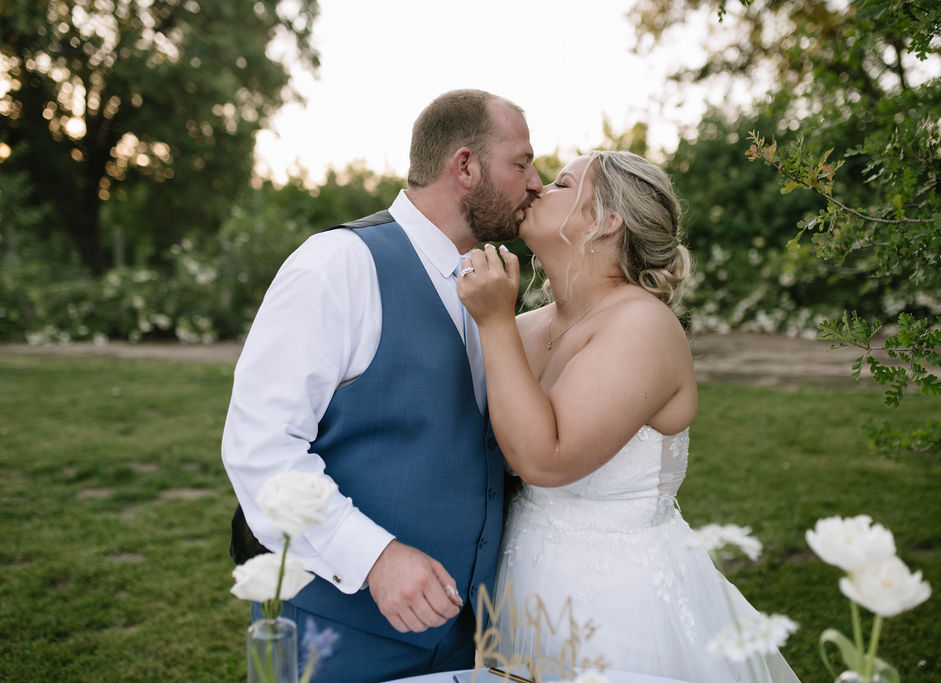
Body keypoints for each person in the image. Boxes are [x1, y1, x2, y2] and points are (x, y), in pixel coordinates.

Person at [221, 89, 542, 683]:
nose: (536, 182)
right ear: (466, 166)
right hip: (342, 638)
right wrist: (374, 558)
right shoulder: (338, 265)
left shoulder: (486, 285)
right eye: (521, 163)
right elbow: (260, 447)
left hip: (465, 639)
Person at [457, 151, 800, 681]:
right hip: (521, 587)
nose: (537, 189)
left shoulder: (643, 326)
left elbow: (546, 460)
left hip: (624, 606)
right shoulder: (525, 327)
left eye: (561, 184)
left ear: (607, 220)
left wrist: (493, 322)